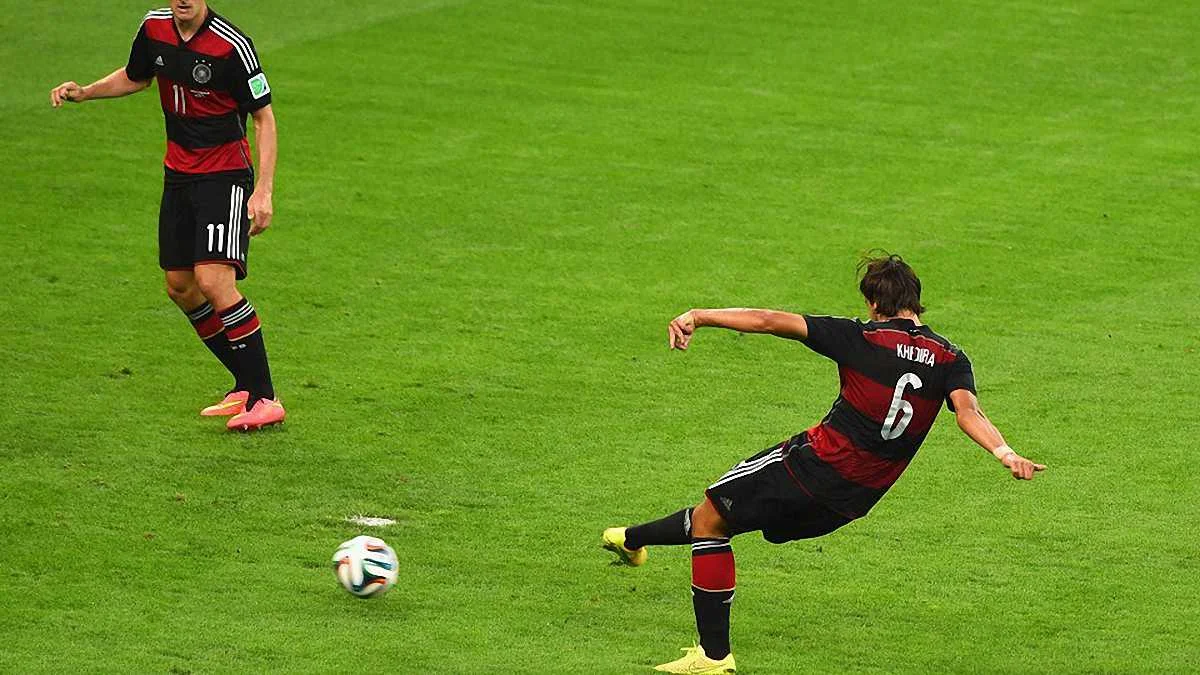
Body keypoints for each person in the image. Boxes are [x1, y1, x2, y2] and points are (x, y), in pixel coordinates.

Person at [602, 254, 1046, 674]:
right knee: (720, 516)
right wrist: (1005, 453)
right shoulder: (950, 358)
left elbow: (768, 320)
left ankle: (713, 657)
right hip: (854, 500)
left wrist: (697, 315)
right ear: (915, 299)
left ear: (874, 303)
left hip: (811, 468)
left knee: (711, 521)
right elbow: (969, 413)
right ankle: (631, 540)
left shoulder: (861, 337)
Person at [49, 1, 284, 431]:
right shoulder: (154, 28)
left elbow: (263, 119)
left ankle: (265, 397)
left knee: (213, 281)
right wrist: (86, 91)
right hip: (178, 174)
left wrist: (263, 191)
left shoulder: (232, 46)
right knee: (180, 286)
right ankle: (246, 385)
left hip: (224, 175)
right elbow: (135, 76)